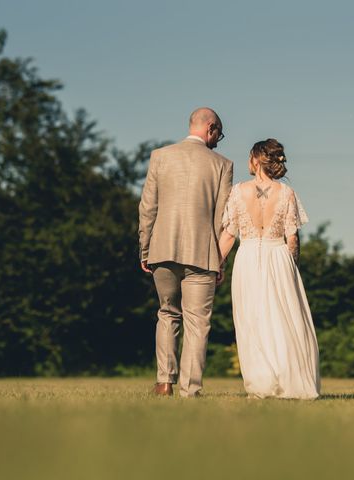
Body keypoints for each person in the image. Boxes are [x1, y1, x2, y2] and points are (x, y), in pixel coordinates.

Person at [138, 107, 233, 397]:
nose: (219, 139)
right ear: (211, 128)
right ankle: (190, 389)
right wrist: (220, 261)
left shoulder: (160, 156)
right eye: (220, 133)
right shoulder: (222, 165)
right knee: (198, 322)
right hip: (202, 254)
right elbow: (223, 218)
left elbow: (147, 207)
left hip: (162, 248)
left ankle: (164, 382)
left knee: (167, 313)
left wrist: (145, 248)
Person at [218, 138, 320, 399]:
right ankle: (288, 380)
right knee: (284, 320)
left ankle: (262, 382)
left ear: (255, 160)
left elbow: (229, 234)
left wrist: (217, 263)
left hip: (248, 257)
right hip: (279, 256)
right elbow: (292, 237)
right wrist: (293, 264)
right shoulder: (286, 193)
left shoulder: (238, 191)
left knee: (252, 319)